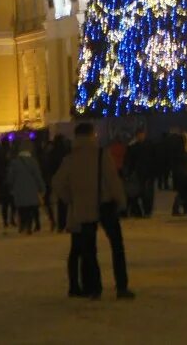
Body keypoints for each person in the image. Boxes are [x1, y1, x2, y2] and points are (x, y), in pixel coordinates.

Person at [52, 122, 133, 300]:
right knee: (117, 246)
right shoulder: (101, 155)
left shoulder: (70, 159)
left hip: (83, 207)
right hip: (105, 204)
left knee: (89, 250)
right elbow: (113, 180)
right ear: (91, 135)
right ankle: (121, 286)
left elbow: (57, 183)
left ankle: (95, 288)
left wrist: (71, 198)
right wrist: (121, 201)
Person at [7, 139, 47, 234]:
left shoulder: (15, 163)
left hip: (19, 189)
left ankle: (22, 225)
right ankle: (29, 226)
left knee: (21, 209)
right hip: (32, 189)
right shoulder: (33, 162)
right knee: (30, 209)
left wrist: (10, 186)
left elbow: (10, 177)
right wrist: (42, 188)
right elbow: (38, 176)